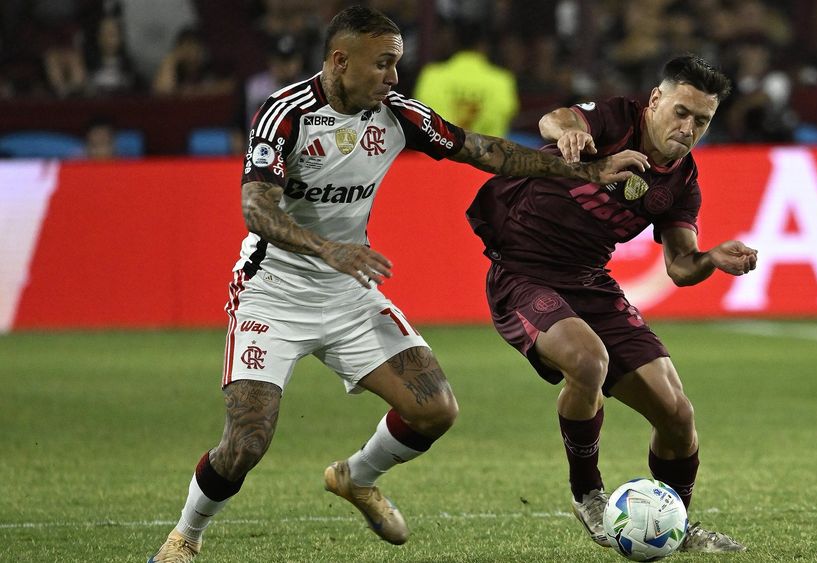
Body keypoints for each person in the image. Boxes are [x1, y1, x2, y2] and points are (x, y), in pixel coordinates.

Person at [147, 6, 648, 562]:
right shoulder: (284, 115)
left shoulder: (397, 115)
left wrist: (587, 172)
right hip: (274, 291)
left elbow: (486, 151)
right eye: (383, 64)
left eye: (397, 64)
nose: (393, 77)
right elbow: (254, 208)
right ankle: (184, 538)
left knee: (435, 409)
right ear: (340, 61)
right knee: (247, 441)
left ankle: (355, 478)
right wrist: (327, 248)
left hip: (348, 291)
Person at [466, 55, 755, 553]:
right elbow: (557, 120)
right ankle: (588, 494)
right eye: (681, 112)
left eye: (702, 122)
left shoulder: (681, 181)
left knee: (677, 416)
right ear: (657, 100)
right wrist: (572, 137)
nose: (688, 129)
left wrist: (711, 258)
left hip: (589, 282)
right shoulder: (615, 119)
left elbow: (681, 267)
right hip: (523, 273)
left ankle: (676, 527)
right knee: (588, 360)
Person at [413, 20, 519, 138]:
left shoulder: (432, 75)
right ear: (483, 45)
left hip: (438, 153)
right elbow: (505, 118)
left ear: (453, 43)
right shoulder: (502, 80)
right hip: (487, 153)